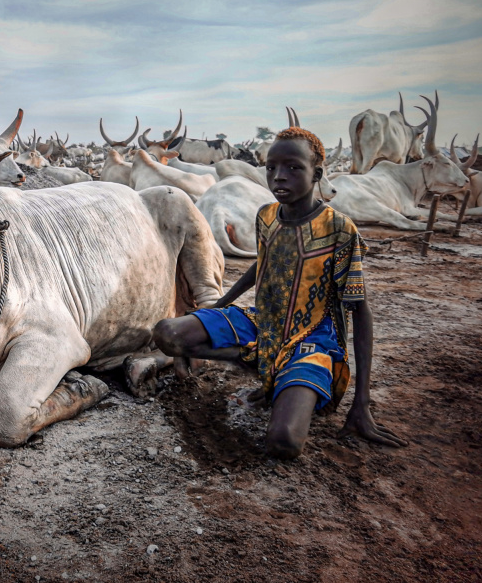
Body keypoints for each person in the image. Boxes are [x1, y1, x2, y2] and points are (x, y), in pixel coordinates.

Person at [153, 127, 406, 459]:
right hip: (264, 326)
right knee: (168, 333)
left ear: (316, 174)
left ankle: (293, 375)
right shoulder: (267, 217)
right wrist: (216, 308)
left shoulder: (340, 230)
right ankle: (267, 364)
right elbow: (263, 265)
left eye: (292, 168)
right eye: (271, 168)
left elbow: (359, 311)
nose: (278, 177)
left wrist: (361, 403)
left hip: (312, 340)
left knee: (284, 442)